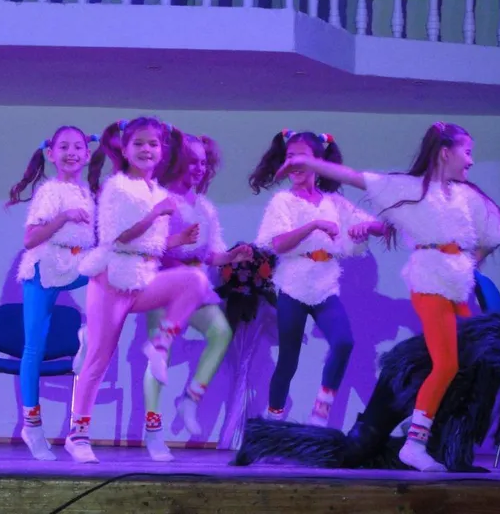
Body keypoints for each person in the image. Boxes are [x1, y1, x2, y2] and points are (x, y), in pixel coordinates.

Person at [273, 122, 500, 469]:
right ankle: (414, 443)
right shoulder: (411, 189)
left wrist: (468, 263)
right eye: (467, 152)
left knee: (471, 363)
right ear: (444, 153)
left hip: (456, 283)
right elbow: (356, 178)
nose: (471, 160)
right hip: (429, 280)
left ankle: (437, 435)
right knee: (447, 363)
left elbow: (495, 233)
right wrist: (310, 163)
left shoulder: (466, 196)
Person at [233, 281, 500, 472]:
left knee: (378, 457)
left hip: (426, 393)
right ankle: (263, 437)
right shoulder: (499, 344)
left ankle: (265, 437)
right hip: (405, 379)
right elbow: (468, 403)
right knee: (354, 451)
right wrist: (457, 459)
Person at [65, 117, 209, 464]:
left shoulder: (157, 191)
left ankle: (159, 345)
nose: (147, 150)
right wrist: (155, 214)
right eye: (139, 143)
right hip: (112, 278)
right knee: (99, 358)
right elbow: (118, 238)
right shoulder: (117, 187)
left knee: (196, 281)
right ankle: (77, 435)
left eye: (153, 144)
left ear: (162, 151)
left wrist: (178, 239)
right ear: (126, 150)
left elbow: (150, 246)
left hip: (142, 278)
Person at [249, 130, 385, 427]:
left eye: (301, 157)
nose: (294, 163)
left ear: (318, 163)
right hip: (293, 285)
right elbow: (277, 243)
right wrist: (313, 225)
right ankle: (274, 420)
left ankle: (321, 410)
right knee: (288, 359)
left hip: (325, 286)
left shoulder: (333, 202)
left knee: (344, 342)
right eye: (289, 157)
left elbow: (377, 226)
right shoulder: (283, 201)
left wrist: (367, 228)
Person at [142, 132, 252, 460]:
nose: (199, 169)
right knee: (160, 358)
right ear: (176, 162)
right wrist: (176, 242)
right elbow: (148, 246)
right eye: (192, 162)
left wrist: (232, 257)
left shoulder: (204, 207)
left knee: (221, 332)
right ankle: (153, 431)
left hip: (197, 287)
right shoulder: (160, 199)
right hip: (164, 285)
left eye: (203, 163)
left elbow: (211, 254)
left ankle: (190, 399)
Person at [6, 126, 98, 461]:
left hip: (76, 264)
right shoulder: (49, 191)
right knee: (34, 346)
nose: (71, 153)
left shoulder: (87, 192)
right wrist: (64, 217)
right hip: (44, 267)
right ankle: (31, 425)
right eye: (64, 147)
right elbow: (30, 239)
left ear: (87, 154)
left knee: (103, 283)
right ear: (51, 154)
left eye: (78, 147)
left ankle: (88, 337)